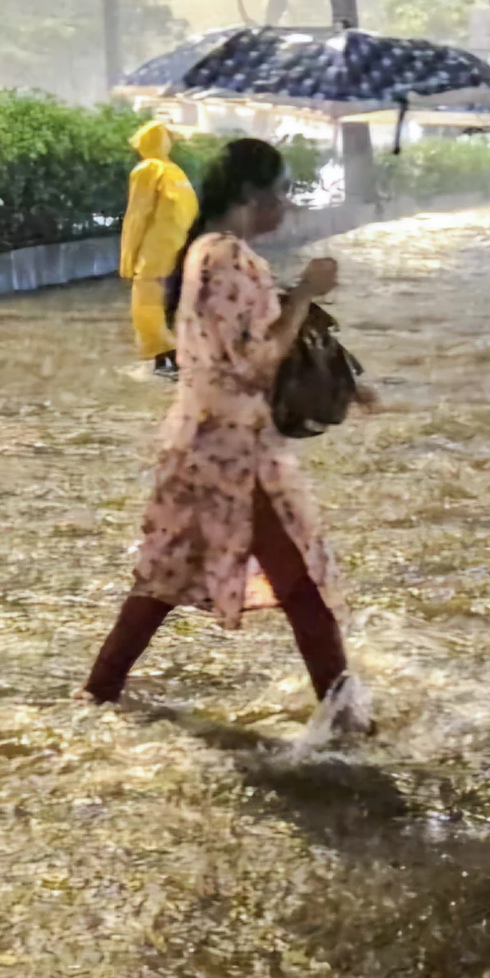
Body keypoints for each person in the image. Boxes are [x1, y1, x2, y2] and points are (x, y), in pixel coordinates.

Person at [83, 138, 366, 732]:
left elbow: (238, 347)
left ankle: (99, 692)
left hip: (200, 439)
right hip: (238, 452)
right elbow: (256, 360)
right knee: (302, 582)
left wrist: (342, 378)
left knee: (165, 573)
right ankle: (347, 724)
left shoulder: (205, 252)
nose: (286, 205)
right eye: (281, 192)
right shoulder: (229, 257)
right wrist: (307, 293)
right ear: (250, 195)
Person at [119, 120, 199, 377]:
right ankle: (177, 356)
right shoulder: (176, 172)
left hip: (156, 252)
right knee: (168, 305)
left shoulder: (147, 169)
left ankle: (165, 359)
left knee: (146, 305)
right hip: (181, 250)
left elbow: (137, 215)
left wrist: (127, 258)